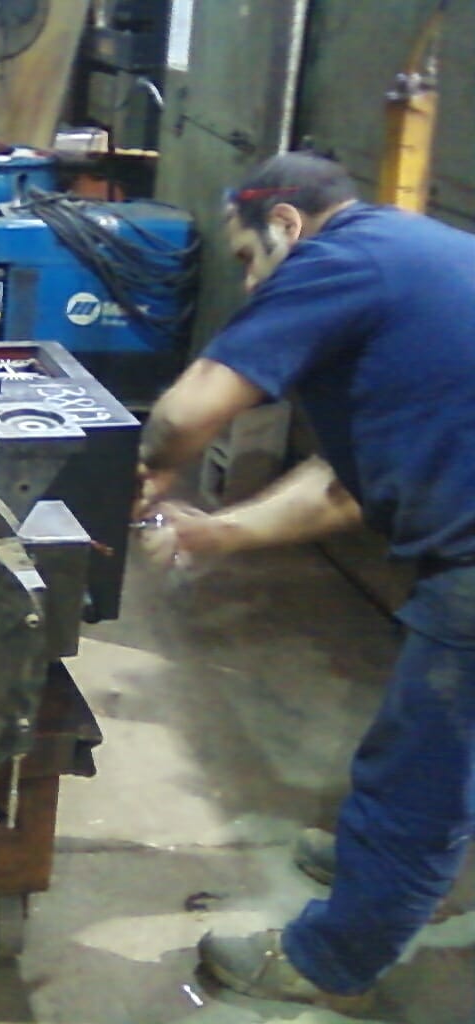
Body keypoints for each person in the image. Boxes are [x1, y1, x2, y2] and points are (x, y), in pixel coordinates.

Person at [136, 152, 475, 1004]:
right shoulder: (404, 257)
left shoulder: (337, 259)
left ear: (285, 225)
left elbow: (187, 410)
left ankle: (336, 958)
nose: (251, 287)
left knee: (418, 765)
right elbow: (340, 487)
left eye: (248, 259)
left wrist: (140, 473)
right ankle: (405, 870)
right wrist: (218, 531)